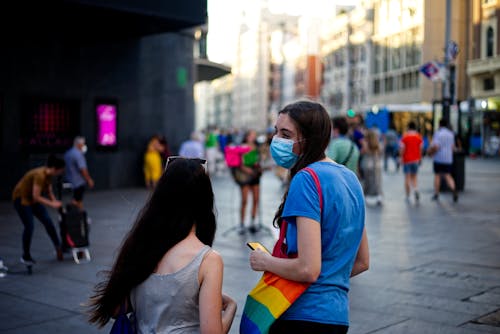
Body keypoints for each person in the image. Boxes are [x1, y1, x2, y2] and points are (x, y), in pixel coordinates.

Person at [247, 100, 369, 334]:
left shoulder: (306, 179)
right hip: (337, 316)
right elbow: (362, 261)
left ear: (309, 139)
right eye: (276, 131)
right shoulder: (351, 179)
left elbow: (308, 269)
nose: (277, 140)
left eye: (286, 134)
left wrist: (265, 261)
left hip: (301, 314)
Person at [87, 157, 237, 333]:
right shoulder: (208, 260)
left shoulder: (141, 244)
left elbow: (115, 309)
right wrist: (231, 308)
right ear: (205, 200)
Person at [12, 154, 66, 265]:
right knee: (29, 226)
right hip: (21, 199)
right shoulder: (39, 175)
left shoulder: (48, 175)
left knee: (48, 222)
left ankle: (58, 247)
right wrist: (52, 204)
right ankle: (26, 256)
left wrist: (55, 202)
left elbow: (49, 191)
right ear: (56, 169)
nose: (61, 173)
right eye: (61, 170)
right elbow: (36, 196)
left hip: (32, 200)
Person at [236, 129, 263, 234]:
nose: (253, 137)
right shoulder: (242, 147)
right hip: (245, 175)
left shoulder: (257, 147)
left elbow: (258, 160)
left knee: (256, 199)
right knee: (244, 200)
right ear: (247, 136)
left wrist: (259, 167)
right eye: (251, 135)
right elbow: (239, 163)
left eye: (254, 135)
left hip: (255, 174)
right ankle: (242, 224)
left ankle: (252, 222)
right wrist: (248, 170)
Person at [428, 119, 458, 202]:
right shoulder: (451, 134)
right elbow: (453, 147)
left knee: (437, 176)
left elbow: (436, 146)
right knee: (447, 175)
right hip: (448, 159)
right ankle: (453, 189)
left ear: (439, 125)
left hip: (439, 158)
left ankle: (436, 194)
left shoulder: (438, 134)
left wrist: (430, 153)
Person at [64, 136, 95, 209]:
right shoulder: (78, 154)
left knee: (77, 199)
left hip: (69, 179)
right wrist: (89, 180)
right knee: (77, 200)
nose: (84, 145)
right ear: (79, 144)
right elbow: (83, 169)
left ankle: (79, 216)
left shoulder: (68, 153)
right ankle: (76, 215)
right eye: (83, 144)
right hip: (78, 181)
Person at [399, 121, 423, 203]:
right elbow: (420, 149)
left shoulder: (405, 137)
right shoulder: (418, 137)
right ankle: (416, 190)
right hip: (416, 159)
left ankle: (408, 195)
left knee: (407, 178)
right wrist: (420, 158)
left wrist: (401, 158)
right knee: (414, 177)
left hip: (407, 160)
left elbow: (402, 149)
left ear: (408, 127)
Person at [360, 129, 383, 205]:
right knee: (377, 181)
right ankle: (379, 196)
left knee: (367, 181)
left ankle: (365, 196)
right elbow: (380, 153)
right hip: (377, 164)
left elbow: (363, 152)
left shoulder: (365, 142)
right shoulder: (377, 143)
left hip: (367, 164)